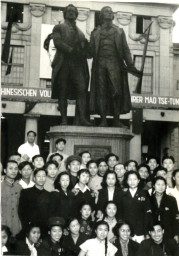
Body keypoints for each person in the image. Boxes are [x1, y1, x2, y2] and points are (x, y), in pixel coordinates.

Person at [89, 6, 141, 127]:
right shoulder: (95, 32)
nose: (109, 13)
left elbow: (125, 50)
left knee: (116, 92)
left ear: (113, 16)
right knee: (101, 92)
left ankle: (116, 120)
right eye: (106, 12)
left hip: (115, 64)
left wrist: (131, 65)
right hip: (100, 65)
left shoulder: (119, 31)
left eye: (110, 12)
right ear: (101, 16)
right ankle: (103, 120)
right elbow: (90, 52)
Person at [51, 4, 91, 126]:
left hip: (78, 65)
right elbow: (57, 42)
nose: (71, 13)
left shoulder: (80, 33)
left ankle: (81, 118)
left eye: (74, 11)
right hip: (64, 63)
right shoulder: (59, 27)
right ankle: (64, 119)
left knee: (82, 88)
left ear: (77, 15)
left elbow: (85, 49)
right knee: (62, 91)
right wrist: (70, 50)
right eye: (69, 11)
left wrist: (88, 47)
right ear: (65, 13)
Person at [119, 171, 152, 243]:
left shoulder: (144, 193)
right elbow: (120, 213)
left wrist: (146, 231)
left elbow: (147, 214)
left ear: (138, 181)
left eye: (134, 179)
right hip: (126, 231)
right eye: (130, 179)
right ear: (127, 181)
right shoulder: (122, 195)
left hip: (140, 230)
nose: (132, 181)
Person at [18, 168, 50, 236]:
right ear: (34, 178)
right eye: (38, 176)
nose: (41, 178)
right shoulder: (26, 192)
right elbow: (21, 212)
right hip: (29, 229)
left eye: (43, 176)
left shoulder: (49, 194)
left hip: (44, 229)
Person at [150, 176, 179, 242]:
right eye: (158, 184)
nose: (161, 187)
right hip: (153, 232)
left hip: (169, 232)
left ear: (166, 186)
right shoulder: (149, 199)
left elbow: (176, 218)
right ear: (154, 185)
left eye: (163, 184)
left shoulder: (171, 199)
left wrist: (176, 234)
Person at [1, 160, 22, 236]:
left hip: (16, 227)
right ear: (5, 170)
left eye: (16, 169)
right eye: (11, 168)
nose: (14, 171)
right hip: (3, 226)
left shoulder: (19, 187)